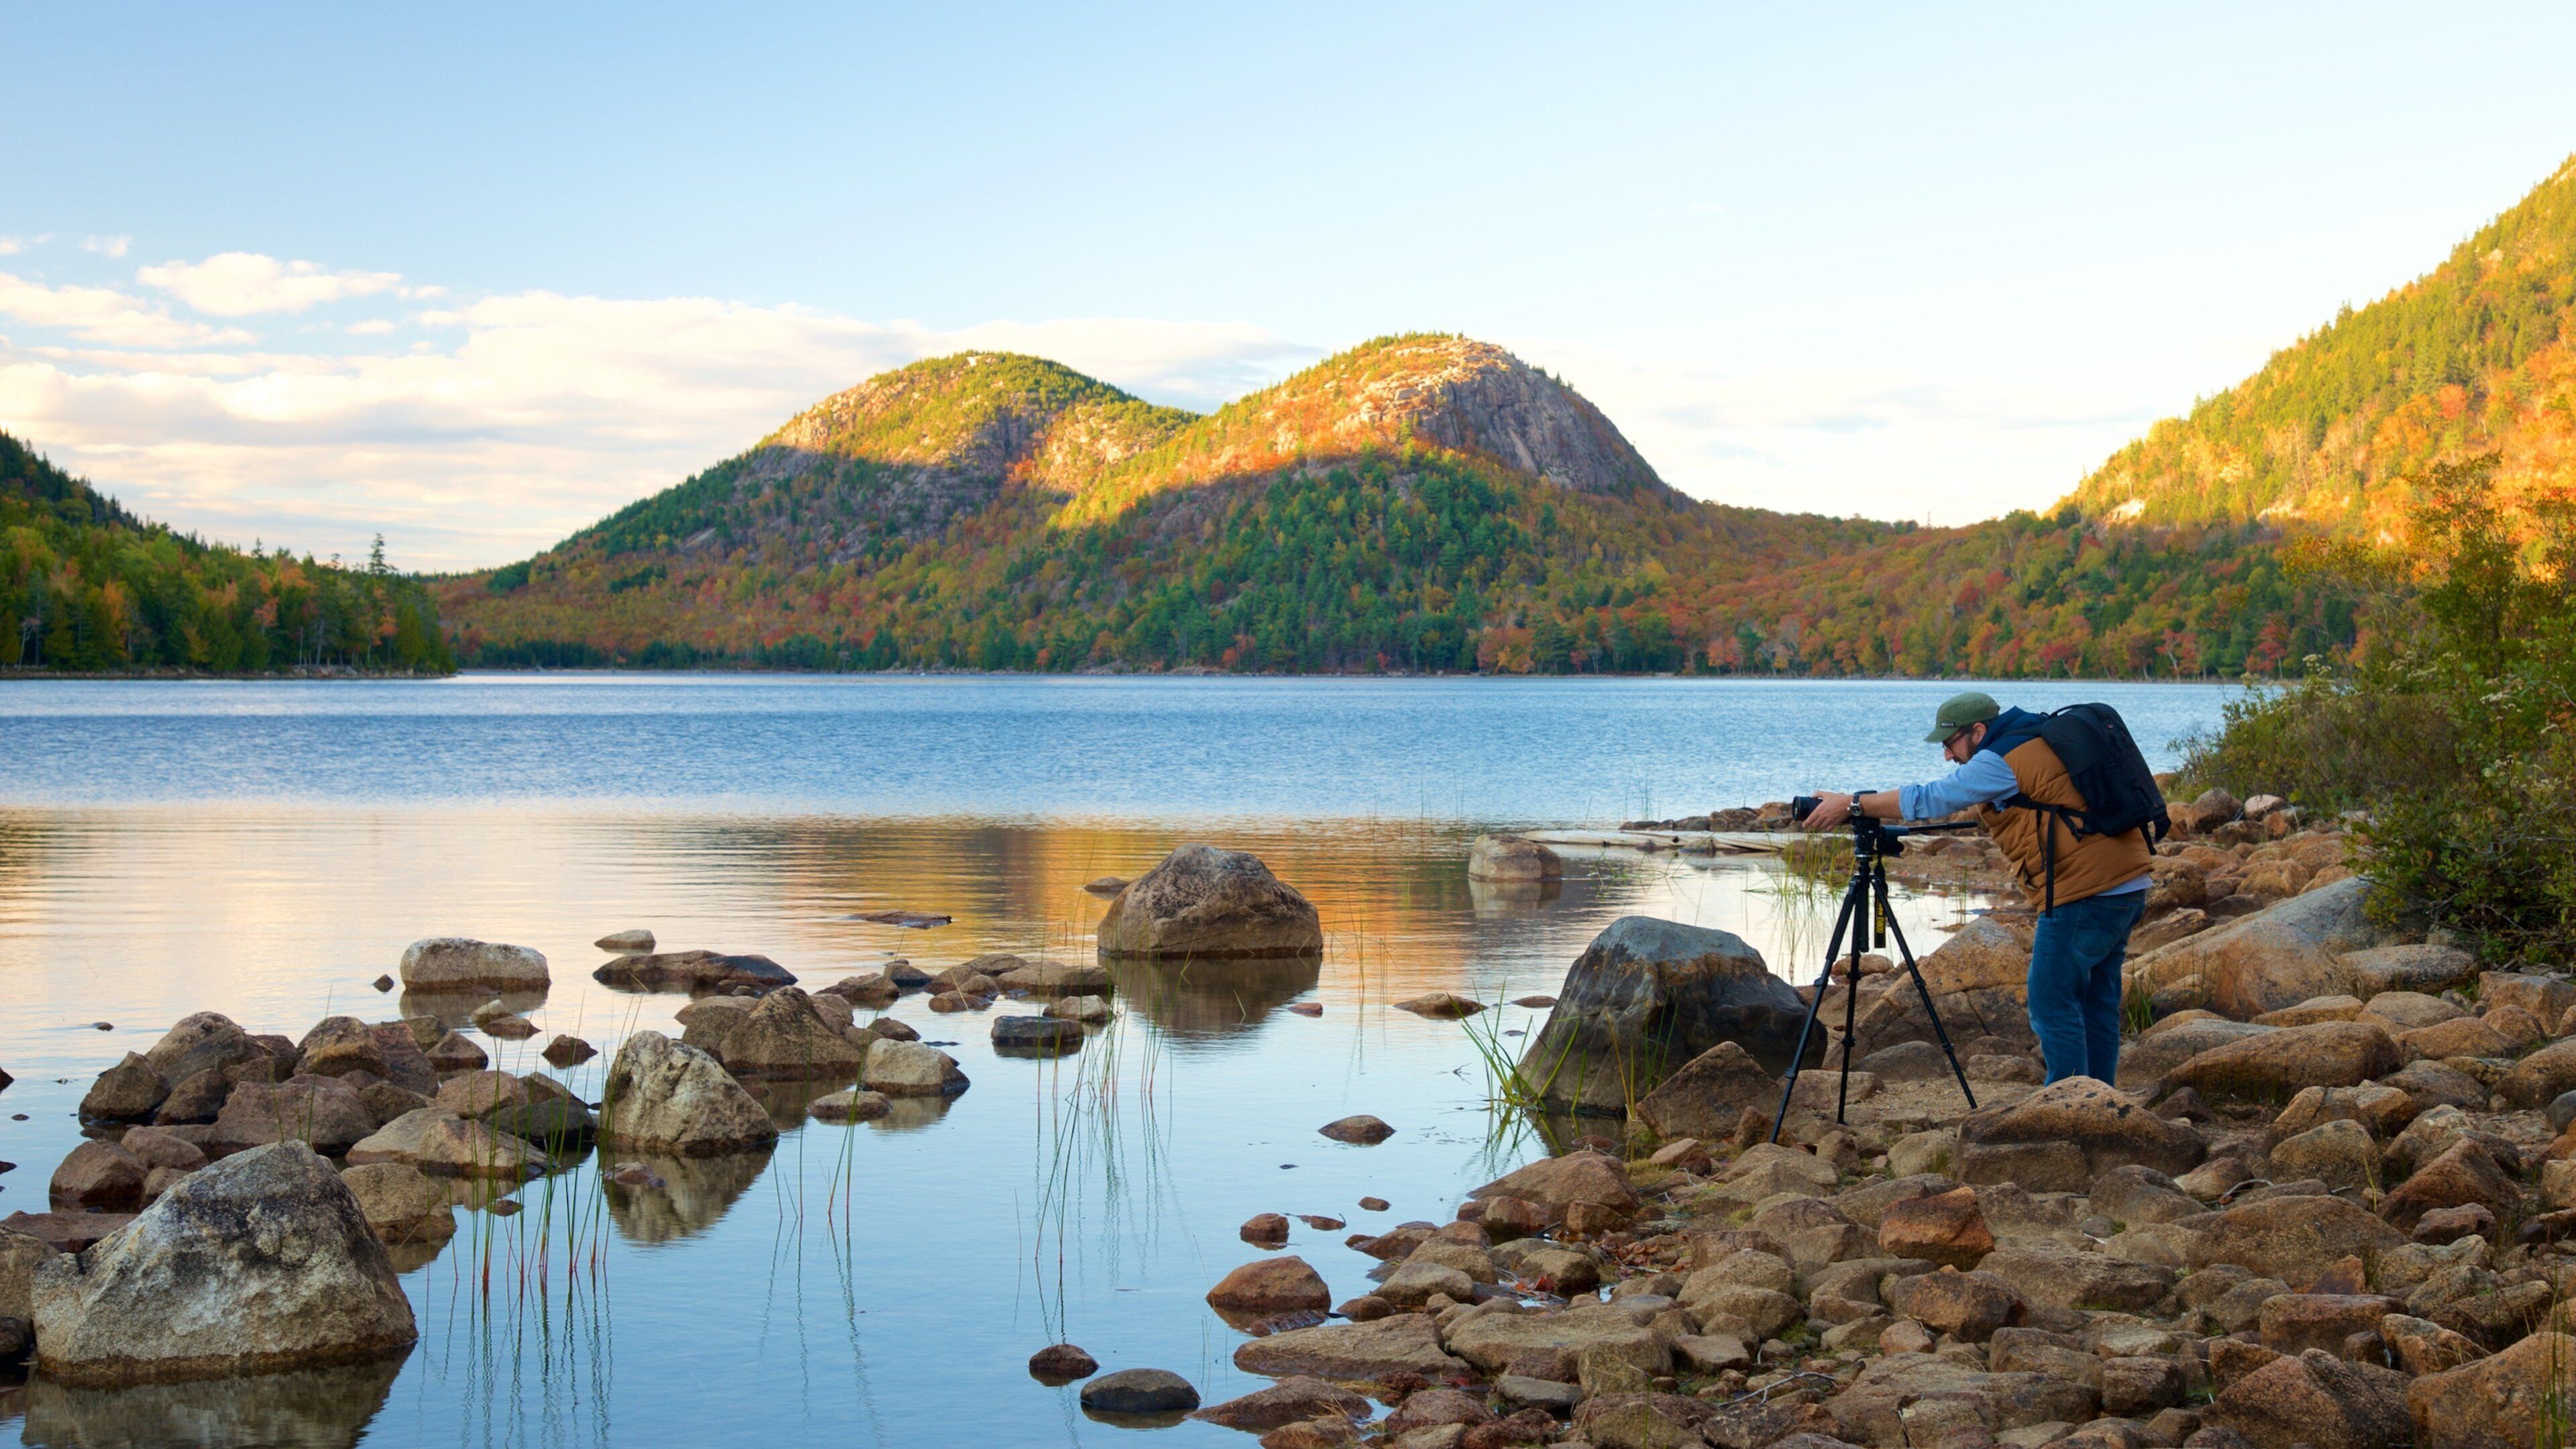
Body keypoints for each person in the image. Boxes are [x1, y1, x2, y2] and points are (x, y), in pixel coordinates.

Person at [1798, 690, 2151, 1085]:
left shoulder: (2002, 760)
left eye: (1950, 745)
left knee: (2051, 1002)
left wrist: (1854, 803)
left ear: (1979, 731)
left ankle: (2068, 1105)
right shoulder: (2036, 736)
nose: (1947, 756)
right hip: (2128, 880)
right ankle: (2098, 1097)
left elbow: (1934, 798)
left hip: (2085, 891)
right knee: (2096, 1003)